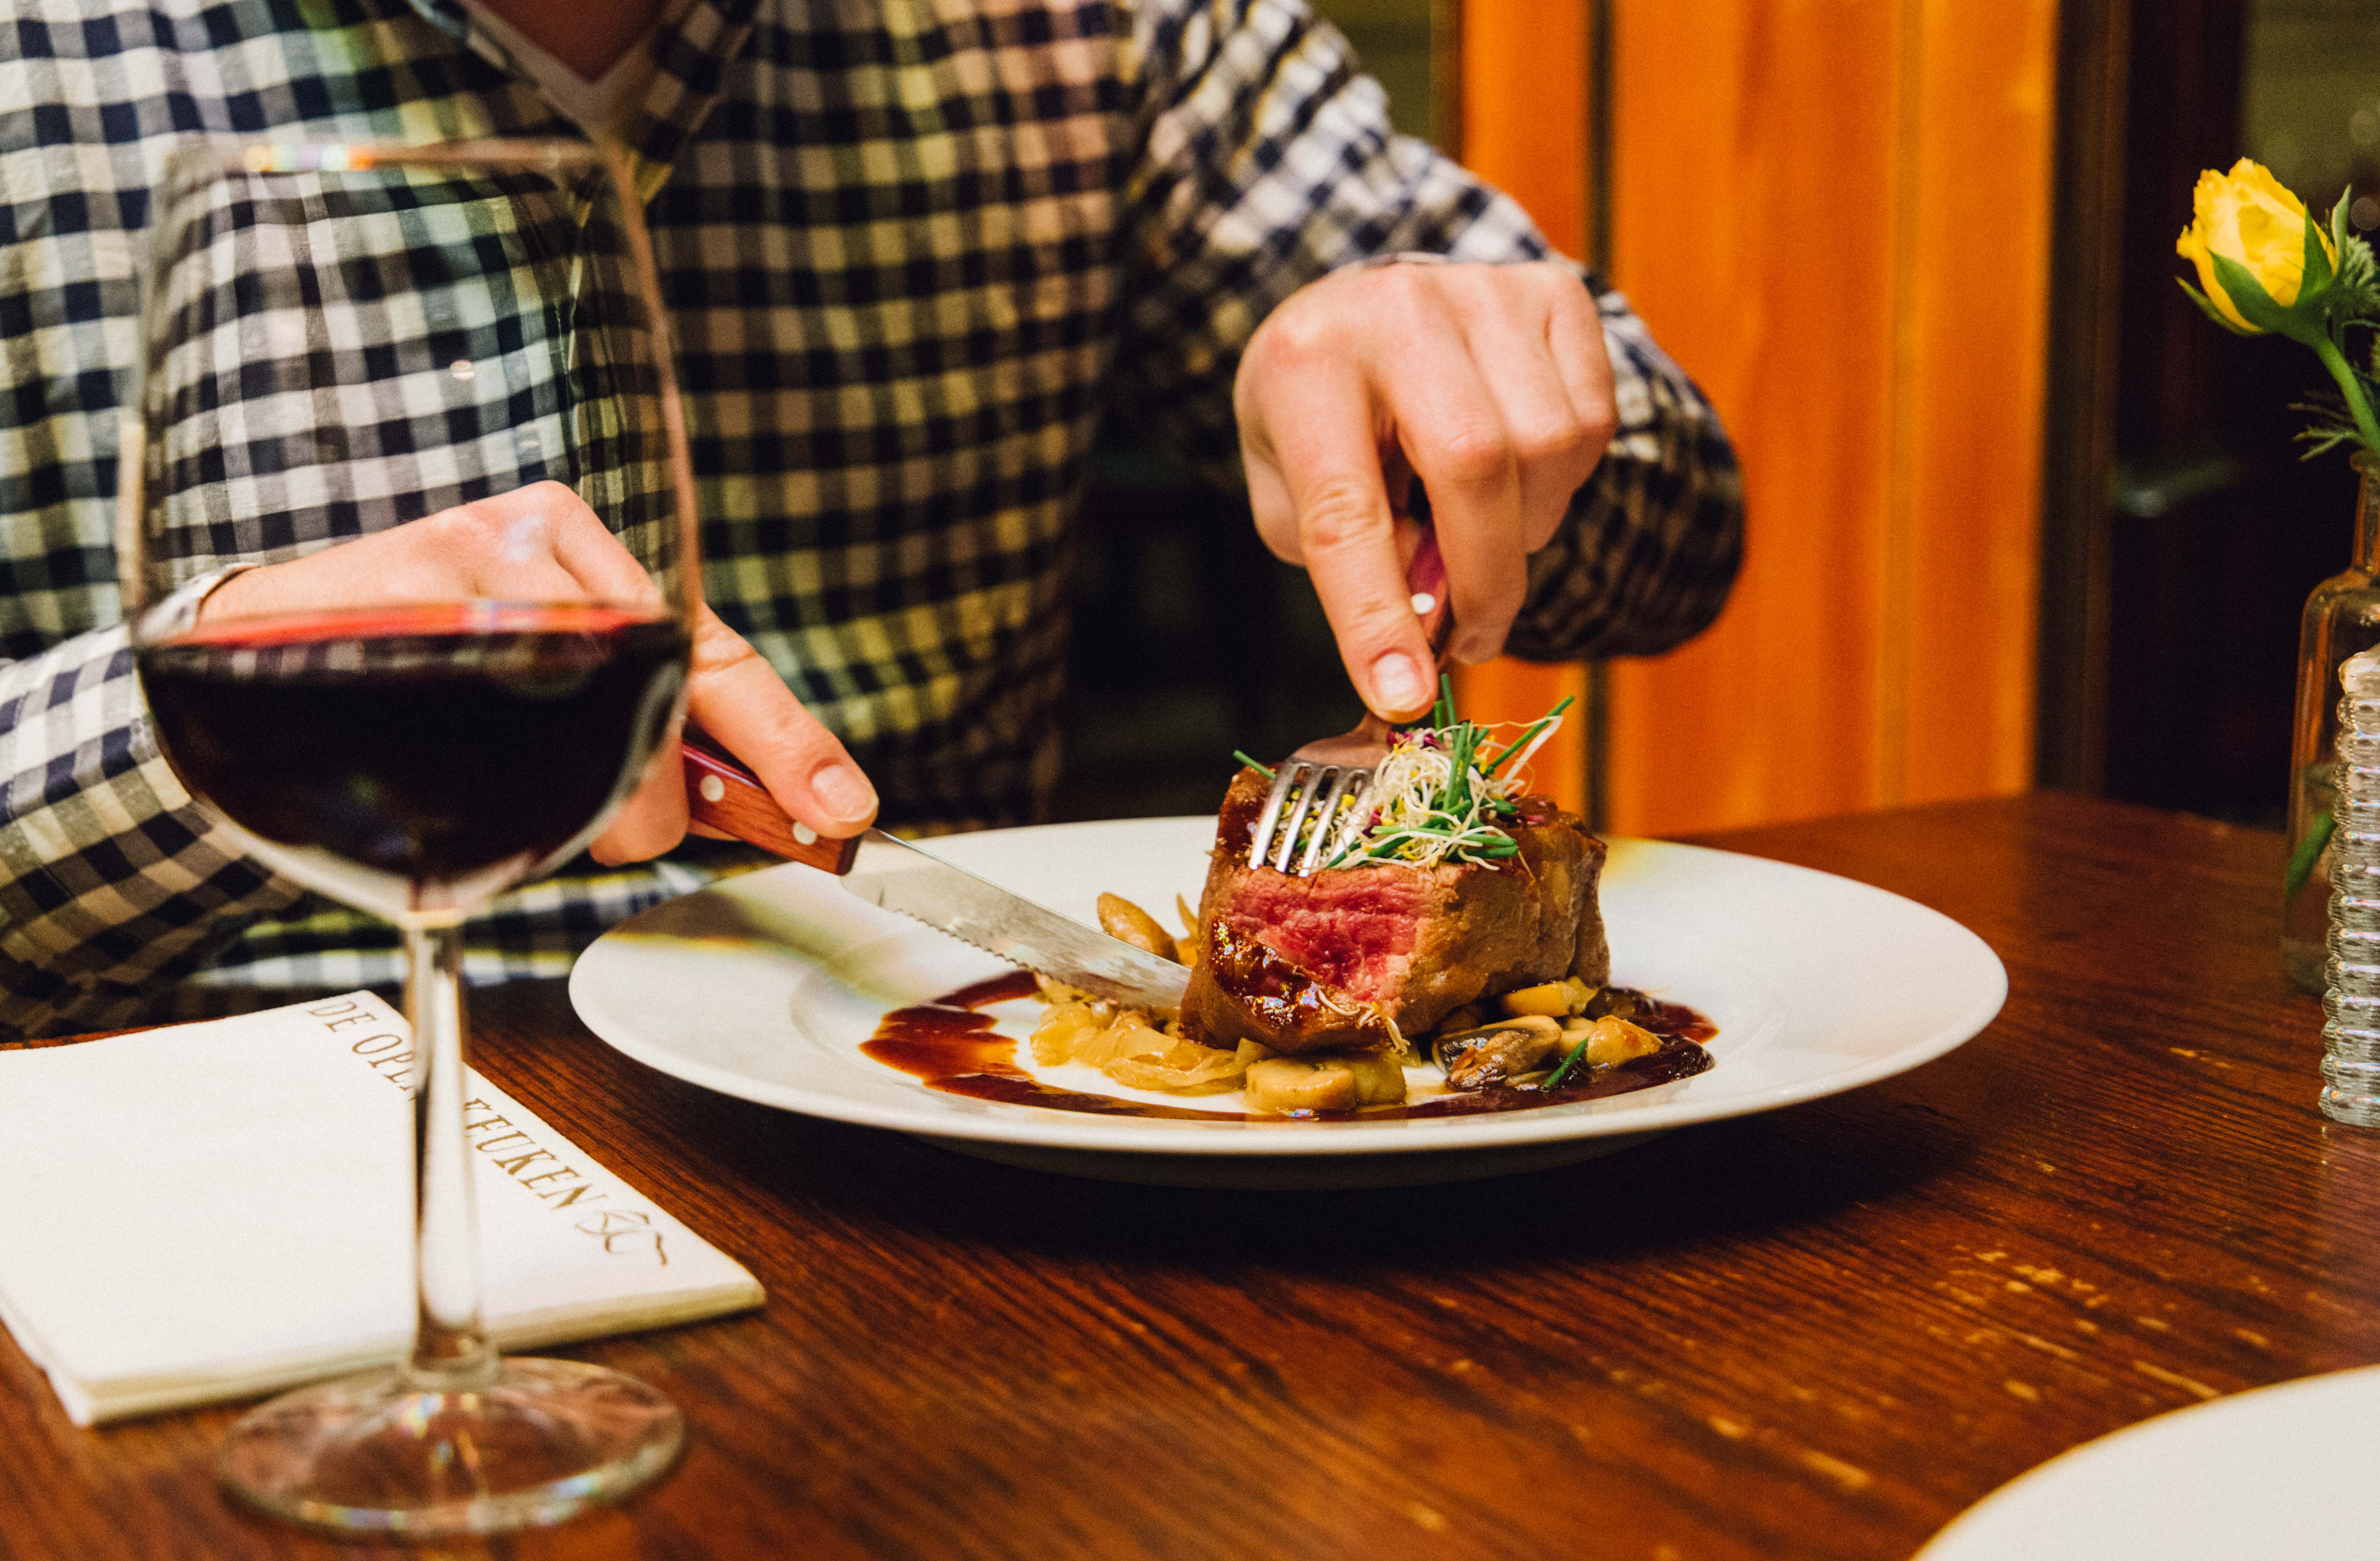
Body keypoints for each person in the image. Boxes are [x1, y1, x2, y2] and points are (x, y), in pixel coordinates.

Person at [0, 0, 1742, 1035]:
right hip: (192, 1234)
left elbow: (1682, 519)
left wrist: (1464, 422)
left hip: (971, 1225)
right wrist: (202, 711)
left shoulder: (1090, 29)